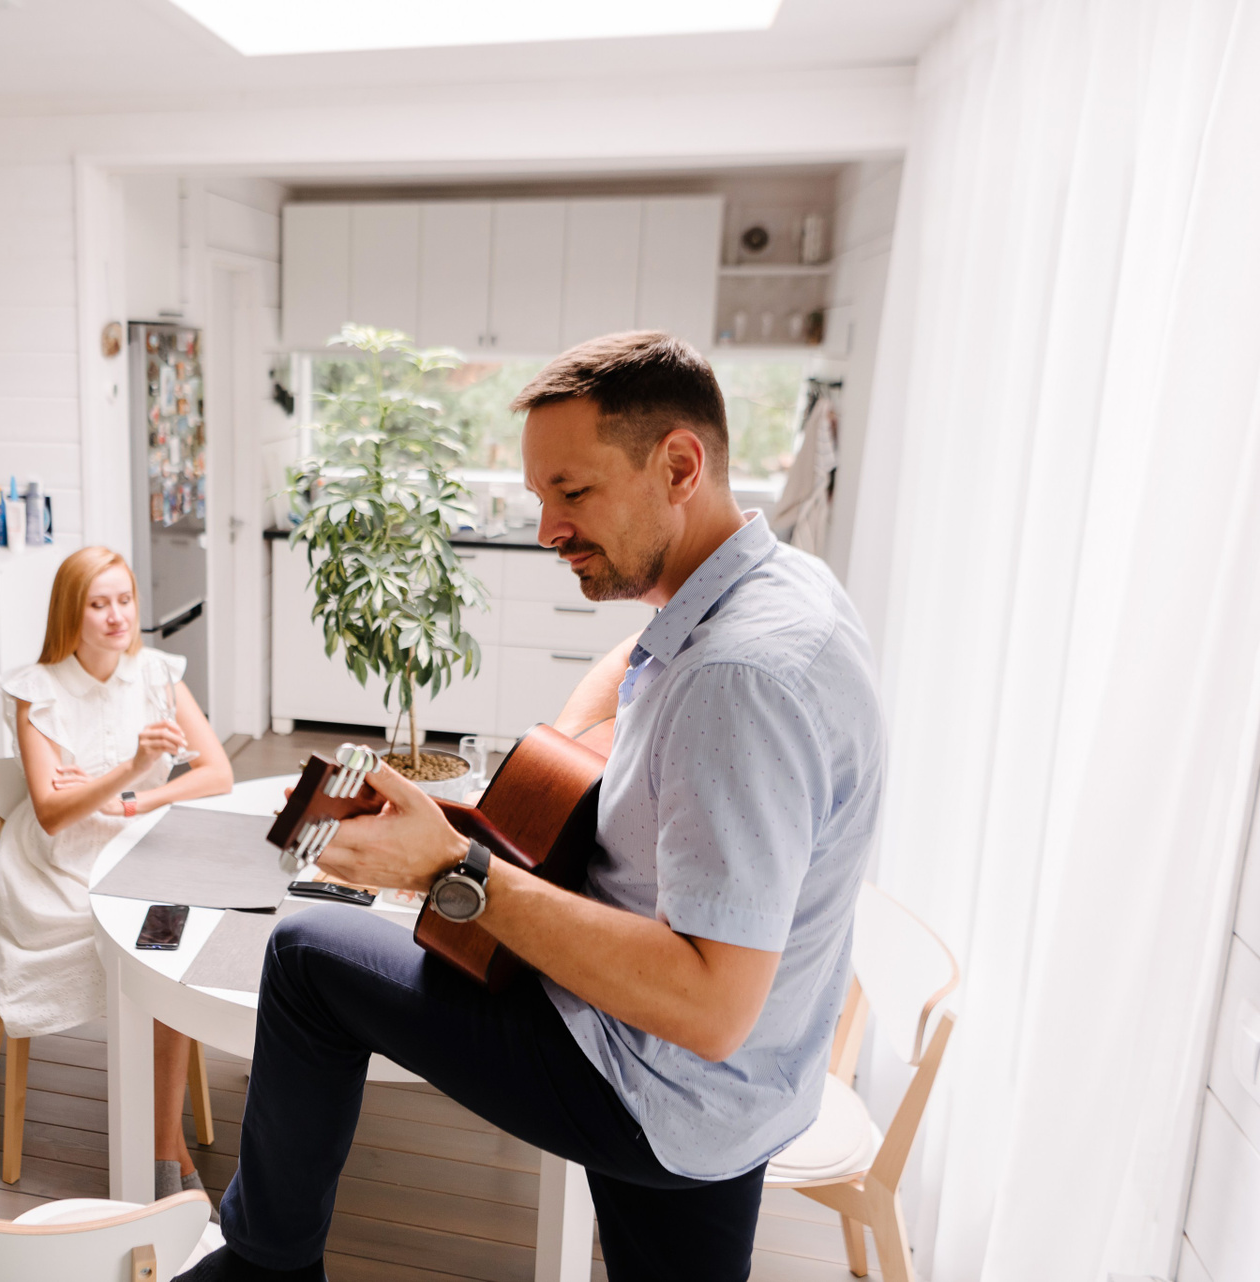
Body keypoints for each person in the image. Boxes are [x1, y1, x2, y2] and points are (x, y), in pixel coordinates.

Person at [178, 332, 885, 1281]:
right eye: (539, 496)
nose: (548, 528)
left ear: (680, 466)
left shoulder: (737, 680)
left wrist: (452, 867)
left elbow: (710, 1007)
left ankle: (263, 1268)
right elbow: (635, 659)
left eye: (573, 492)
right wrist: (543, 793)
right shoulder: (779, 584)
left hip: (649, 1075)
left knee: (306, 955)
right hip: (745, 1092)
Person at [0, 545, 233, 1200]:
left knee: (171, 945)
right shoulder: (36, 691)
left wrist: (132, 798)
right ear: (70, 614)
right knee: (162, 948)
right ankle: (168, 1156)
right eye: (98, 604)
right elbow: (52, 815)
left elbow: (217, 772)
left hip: (139, 847)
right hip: (62, 868)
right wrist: (131, 767)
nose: (117, 617)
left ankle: (160, 1151)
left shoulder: (156, 675)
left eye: (124, 600)